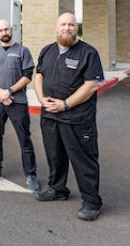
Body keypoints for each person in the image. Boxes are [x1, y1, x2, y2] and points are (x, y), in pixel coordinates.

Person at [34, 12, 104, 221]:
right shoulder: (47, 51)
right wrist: (41, 98)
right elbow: (39, 75)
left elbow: (91, 85)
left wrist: (65, 104)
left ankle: (92, 201)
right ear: (56, 27)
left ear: (76, 28)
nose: (67, 27)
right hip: (50, 116)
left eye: (71, 24)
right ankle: (58, 189)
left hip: (77, 118)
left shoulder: (88, 53)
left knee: (83, 160)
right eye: (63, 24)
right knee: (55, 156)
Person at [0, 19, 39, 192]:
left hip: (17, 102)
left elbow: (28, 75)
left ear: (11, 30)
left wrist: (9, 91)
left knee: (24, 138)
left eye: (6, 29)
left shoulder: (22, 51)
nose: (4, 32)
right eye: (0, 30)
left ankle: (31, 175)